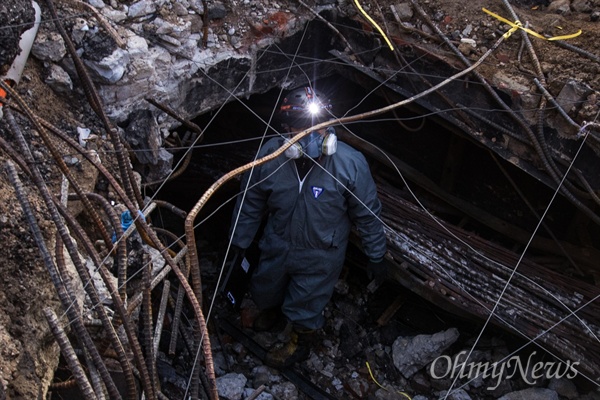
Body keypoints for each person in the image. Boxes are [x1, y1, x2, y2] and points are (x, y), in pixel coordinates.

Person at [229, 86, 388, 368]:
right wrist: (239, 242)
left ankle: (300, 342)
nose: (309, 136)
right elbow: (249, 202)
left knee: (306, 302)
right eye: (299, 128)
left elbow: (367, 214)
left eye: (316, 126)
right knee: (265, 288)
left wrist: (376, 254)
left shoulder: (349, 164)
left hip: (321, 252)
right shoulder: (270, 157)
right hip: (277, 241)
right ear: (287, 128)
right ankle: (272, 312)